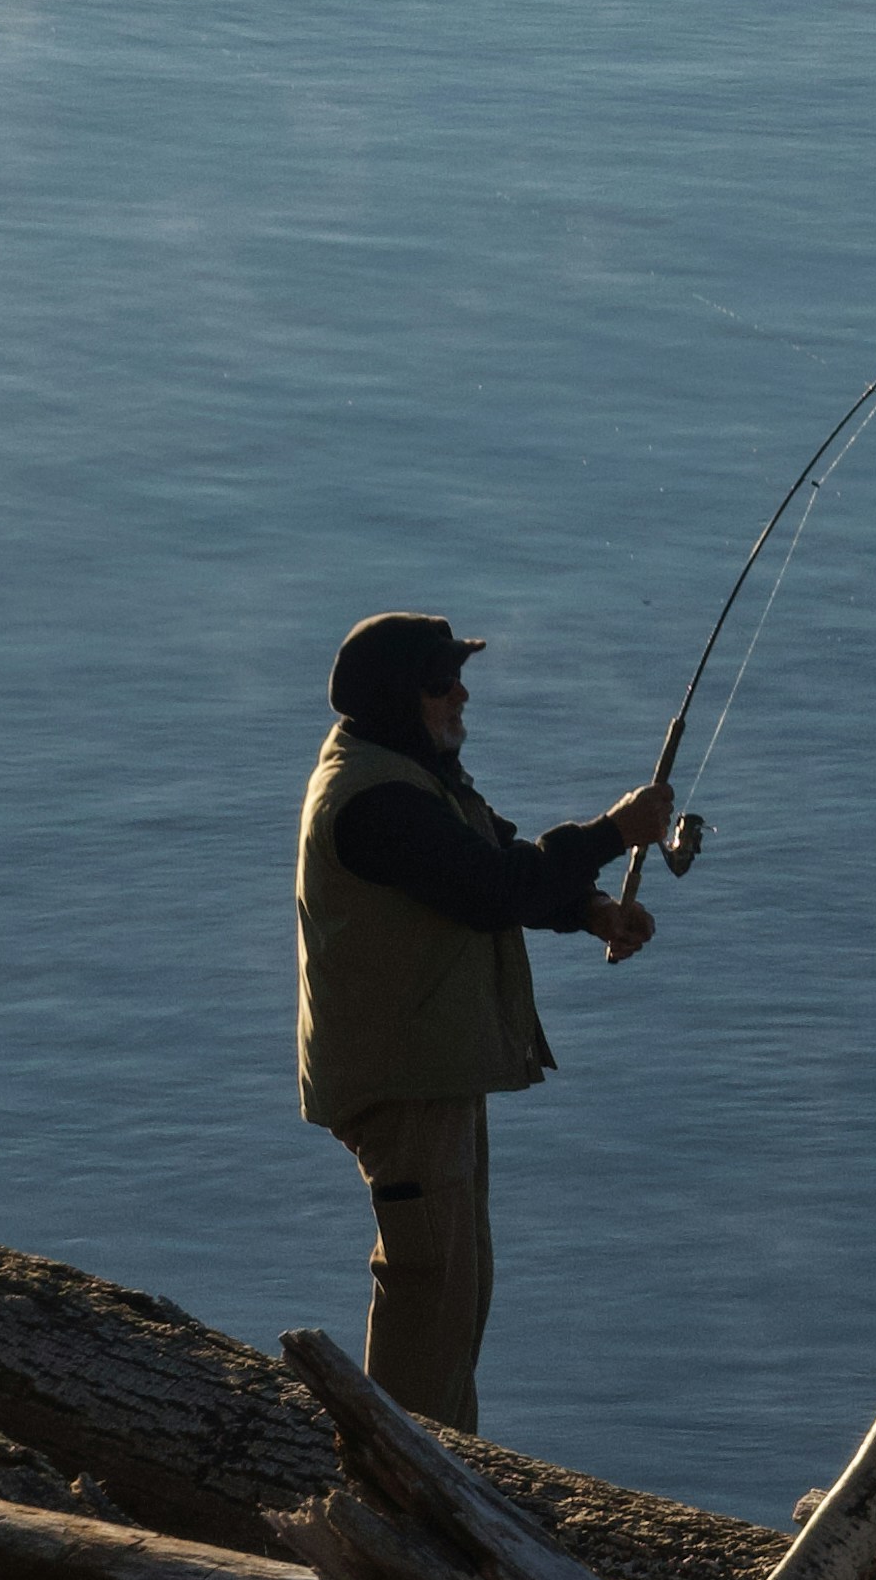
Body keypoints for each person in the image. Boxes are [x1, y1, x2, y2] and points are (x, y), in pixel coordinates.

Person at [294, 611, 700, 1430]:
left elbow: (496, 859)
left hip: (435, 1069)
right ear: (400, 698)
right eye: (442, 683)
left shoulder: (410, 769)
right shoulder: (373, 799)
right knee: (429, 1286)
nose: (461, 694)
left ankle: (447, 1472)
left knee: (458, 1285)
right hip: (403, 1081)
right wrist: (613, 832)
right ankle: (405, 1481)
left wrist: (589, 909)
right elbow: (487, 886)